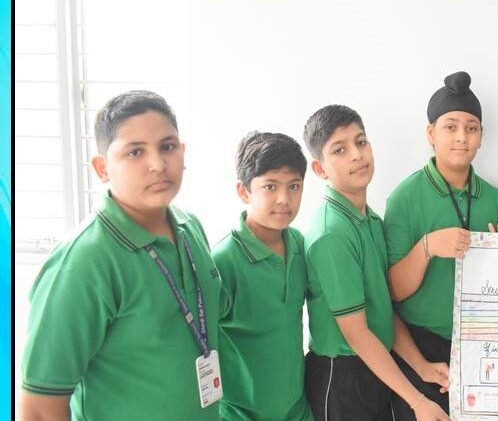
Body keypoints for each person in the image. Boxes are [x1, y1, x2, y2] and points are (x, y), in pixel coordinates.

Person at [21, 90, 224, 421]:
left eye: (167, 147)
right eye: (135, 152)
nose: (158, 164)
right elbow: (40, 409)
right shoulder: (83, 262)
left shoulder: (190, 227)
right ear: (102, 168)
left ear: (183, 151)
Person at [300, 104, 449, 421]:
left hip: (377, 369)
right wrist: (417, 401)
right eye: (340, 150)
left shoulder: (371, 220)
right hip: (341, 378)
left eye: (361, 142)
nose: (357, 155)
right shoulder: (331, 233)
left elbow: (382, 310)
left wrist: (422, 367)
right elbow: (358, 334)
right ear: (319, 168)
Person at [383, 71, 498, 417]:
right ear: (431, 134)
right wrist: (426, 247)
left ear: (481, 136)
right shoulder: (404, 198)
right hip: (420, 347)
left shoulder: (495, 200)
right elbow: (393, 291)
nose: (461, 137)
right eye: (450, 127)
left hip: (483, 347)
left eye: (471, 128)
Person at [214, 131, 313, 421]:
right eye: (270, 186)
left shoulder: (299, 244)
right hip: (239, 415)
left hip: (297, 410)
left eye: (294, 186)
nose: (284, 199)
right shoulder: (222, 261)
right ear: (244, 191)